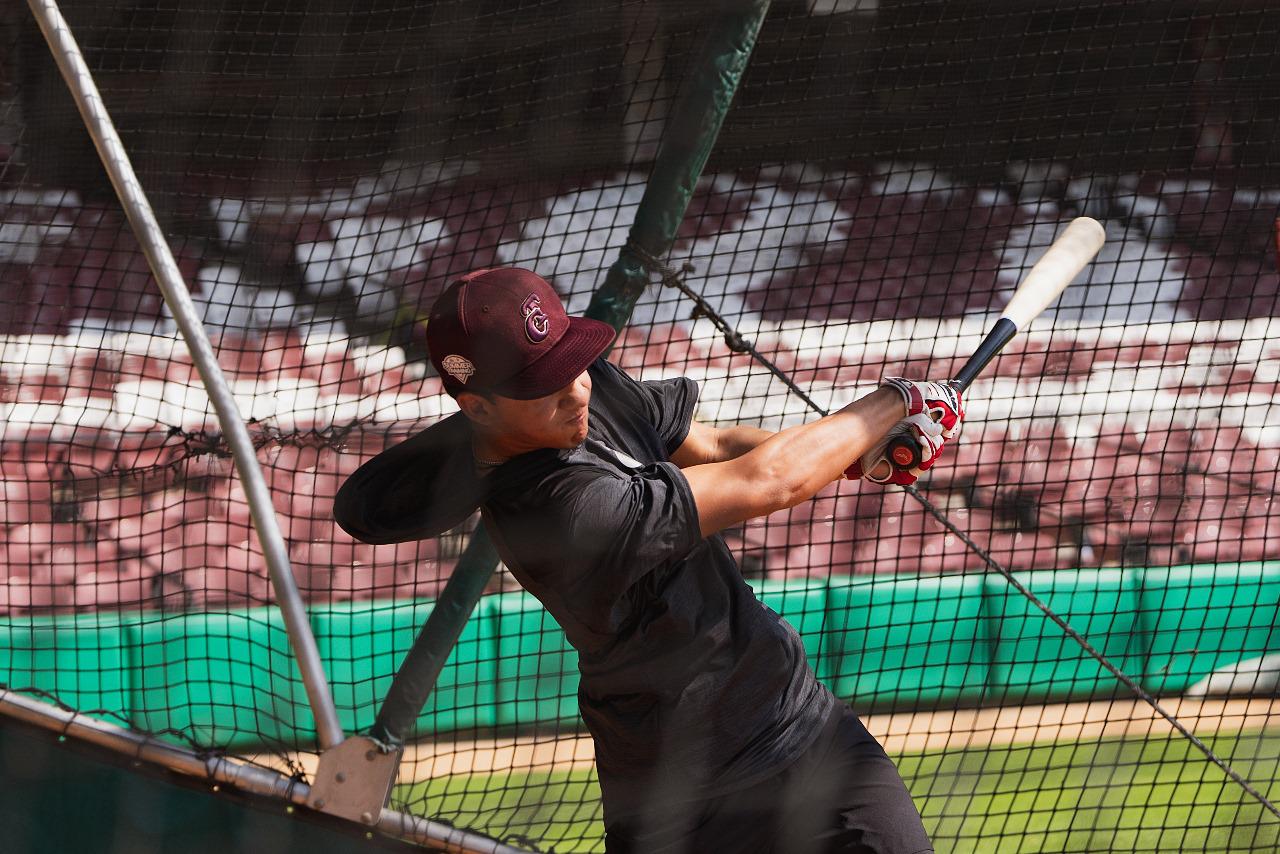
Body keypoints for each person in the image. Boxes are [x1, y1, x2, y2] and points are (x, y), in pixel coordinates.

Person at [335, 267, 962, 854]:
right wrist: (895, 402)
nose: (576, 388)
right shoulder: (560, 512)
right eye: (541, 385)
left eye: (571, 364)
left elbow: (713, 444)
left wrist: (856, 453)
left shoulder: (582, 387)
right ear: (477, 407)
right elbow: (766, 482)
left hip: (801, 725)